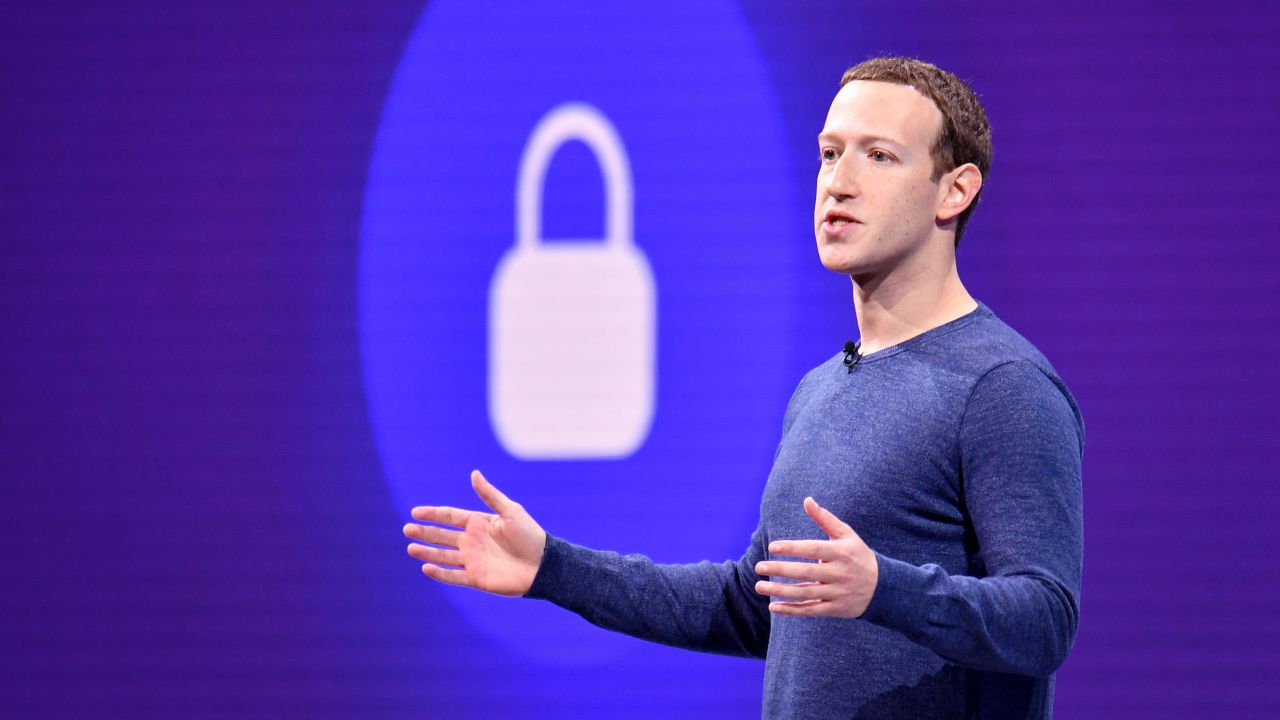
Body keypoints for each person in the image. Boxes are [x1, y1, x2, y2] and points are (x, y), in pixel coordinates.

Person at [403, 56, 1084, 719]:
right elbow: (750, 606)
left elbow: (1045, 619)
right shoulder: (821, 390)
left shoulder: (1001, 386)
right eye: (828, 154)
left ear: (955, 190)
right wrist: (554, 568)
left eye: (878, 156)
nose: (838, 183)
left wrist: (884, 588)